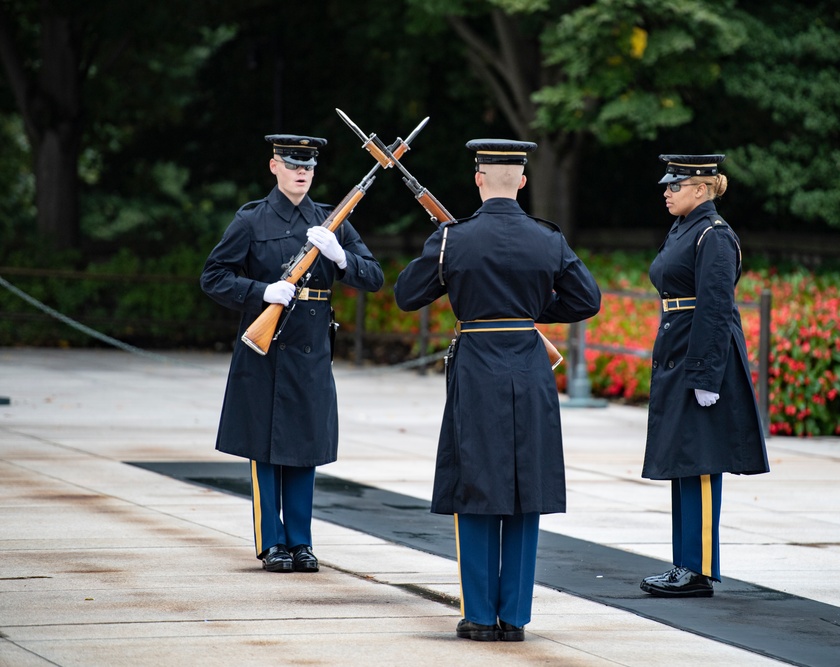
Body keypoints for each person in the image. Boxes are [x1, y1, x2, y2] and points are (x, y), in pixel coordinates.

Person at [394, 139, 601, 642]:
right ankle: (516, 619)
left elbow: (406, 295)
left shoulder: (453, 239)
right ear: (523, 181)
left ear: (479, 178)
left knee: (477, 486)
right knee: (524, 490)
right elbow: (586, 299)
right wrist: (526, 312)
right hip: (529, 369)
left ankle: (479, 615)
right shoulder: (548, 239)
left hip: (477, 370)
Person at [201, 134, 384, 573]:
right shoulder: (252, 220)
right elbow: (214, 276)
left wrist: (341, 258)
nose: (302, 171)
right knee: (264, 449)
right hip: (265, 346)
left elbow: (373, 276)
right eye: (292, 163)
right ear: (274, 167)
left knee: (305, 448)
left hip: (311, 348)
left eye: (308, 165)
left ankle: (301, 542)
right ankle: (272, 542)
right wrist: (261, 290)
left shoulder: (330, 220)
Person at [639, 154, 769, 598]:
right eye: (668, 185)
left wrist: (706, 376)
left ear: (702, 188)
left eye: (675, 185)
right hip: (680, 350)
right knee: (683, 460)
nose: (667, 191)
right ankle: (684, 563)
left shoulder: (713, 235)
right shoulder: (685, 230)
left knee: (700, 461)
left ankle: (698, 569)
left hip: (700, 354)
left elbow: (715, 310)